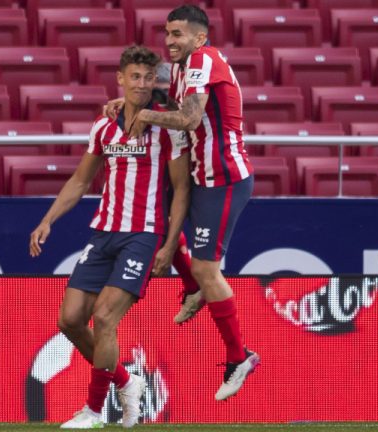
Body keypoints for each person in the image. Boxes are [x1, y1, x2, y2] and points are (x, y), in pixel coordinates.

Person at [30, 45, 191, 429]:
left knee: (103, 318)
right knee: (70, 321)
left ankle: (94, 410)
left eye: (147, 77)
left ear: (156, 82)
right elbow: (82, 179)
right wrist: (48, 219)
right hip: (103, 231)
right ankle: (125, 380)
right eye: (133, 76)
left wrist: (169, 244)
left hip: (142, 234)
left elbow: (182, 190)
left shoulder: (167, 130)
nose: (140, 84)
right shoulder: (104, 126)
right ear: (120, 78)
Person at [119, 4, 260, 401]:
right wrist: (129, 107)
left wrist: (143, 115)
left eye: (178, 34)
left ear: (200, 37)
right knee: (163, 226)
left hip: (224, 178)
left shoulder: (204, 59)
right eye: (167, 33)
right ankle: (192, 287)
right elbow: (173, 106)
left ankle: (240, 356)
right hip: (202, 176)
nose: (169, 41)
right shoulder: (183, 67)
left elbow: (191, 119)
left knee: (207, 266)